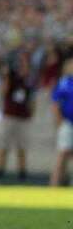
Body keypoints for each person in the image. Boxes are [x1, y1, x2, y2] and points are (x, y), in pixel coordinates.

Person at [0, 53, 34, 181]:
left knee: (22, 147)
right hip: (9, 116)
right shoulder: (11, 78)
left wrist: (31, 113)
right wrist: (7, 75)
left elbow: (32, 100)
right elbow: (3, 91)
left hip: (22, 118)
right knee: (3, 145)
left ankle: (22, 173)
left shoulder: (28, 82)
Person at [51, 59, 73, 187]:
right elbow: (56, 104)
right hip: (68, 123)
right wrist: (60, 122)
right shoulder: (64, 83)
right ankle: (54, 185)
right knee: (62, 153)